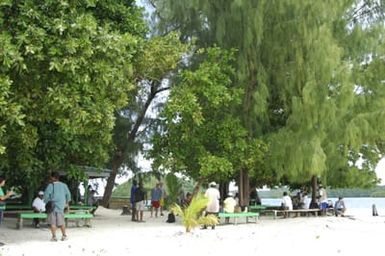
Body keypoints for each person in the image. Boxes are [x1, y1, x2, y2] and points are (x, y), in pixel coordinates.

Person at [44, 172, 71, 241]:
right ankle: (64, 236)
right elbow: (68, 195)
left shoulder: (50, 186)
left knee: (53, 223)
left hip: (52, 207)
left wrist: (47, 202)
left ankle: (54, 237)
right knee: (62, 222)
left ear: (53, 177)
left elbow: (46, 196)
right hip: (61, 207)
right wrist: (66, 204)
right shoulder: (64, 185)